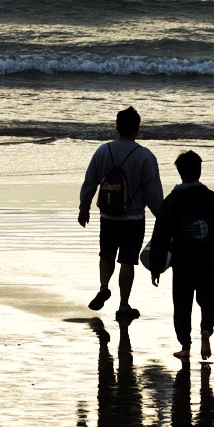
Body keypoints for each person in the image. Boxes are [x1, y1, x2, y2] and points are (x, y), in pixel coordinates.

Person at [149, 150, 214, 362]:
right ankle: (206, 331)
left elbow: (160, 237)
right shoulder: (212, 199)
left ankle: (184, 346)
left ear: (180, 173)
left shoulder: (171, 201)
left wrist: (156, 266)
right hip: (209, 259)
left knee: (182, 305)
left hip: (182, 262)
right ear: (200, 171)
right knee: (209, 301)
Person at [78, 106, 163, 321]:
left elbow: (90, 182)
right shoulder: (144, 156)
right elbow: (153, 192)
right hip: (133, 218)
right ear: (137, 128)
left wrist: (84, 207)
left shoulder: (103, 151)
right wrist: (163, 217)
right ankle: (124, 305)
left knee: (106, 254)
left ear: (117, 127)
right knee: (127, 260)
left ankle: (104, 286)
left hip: (107, 216)